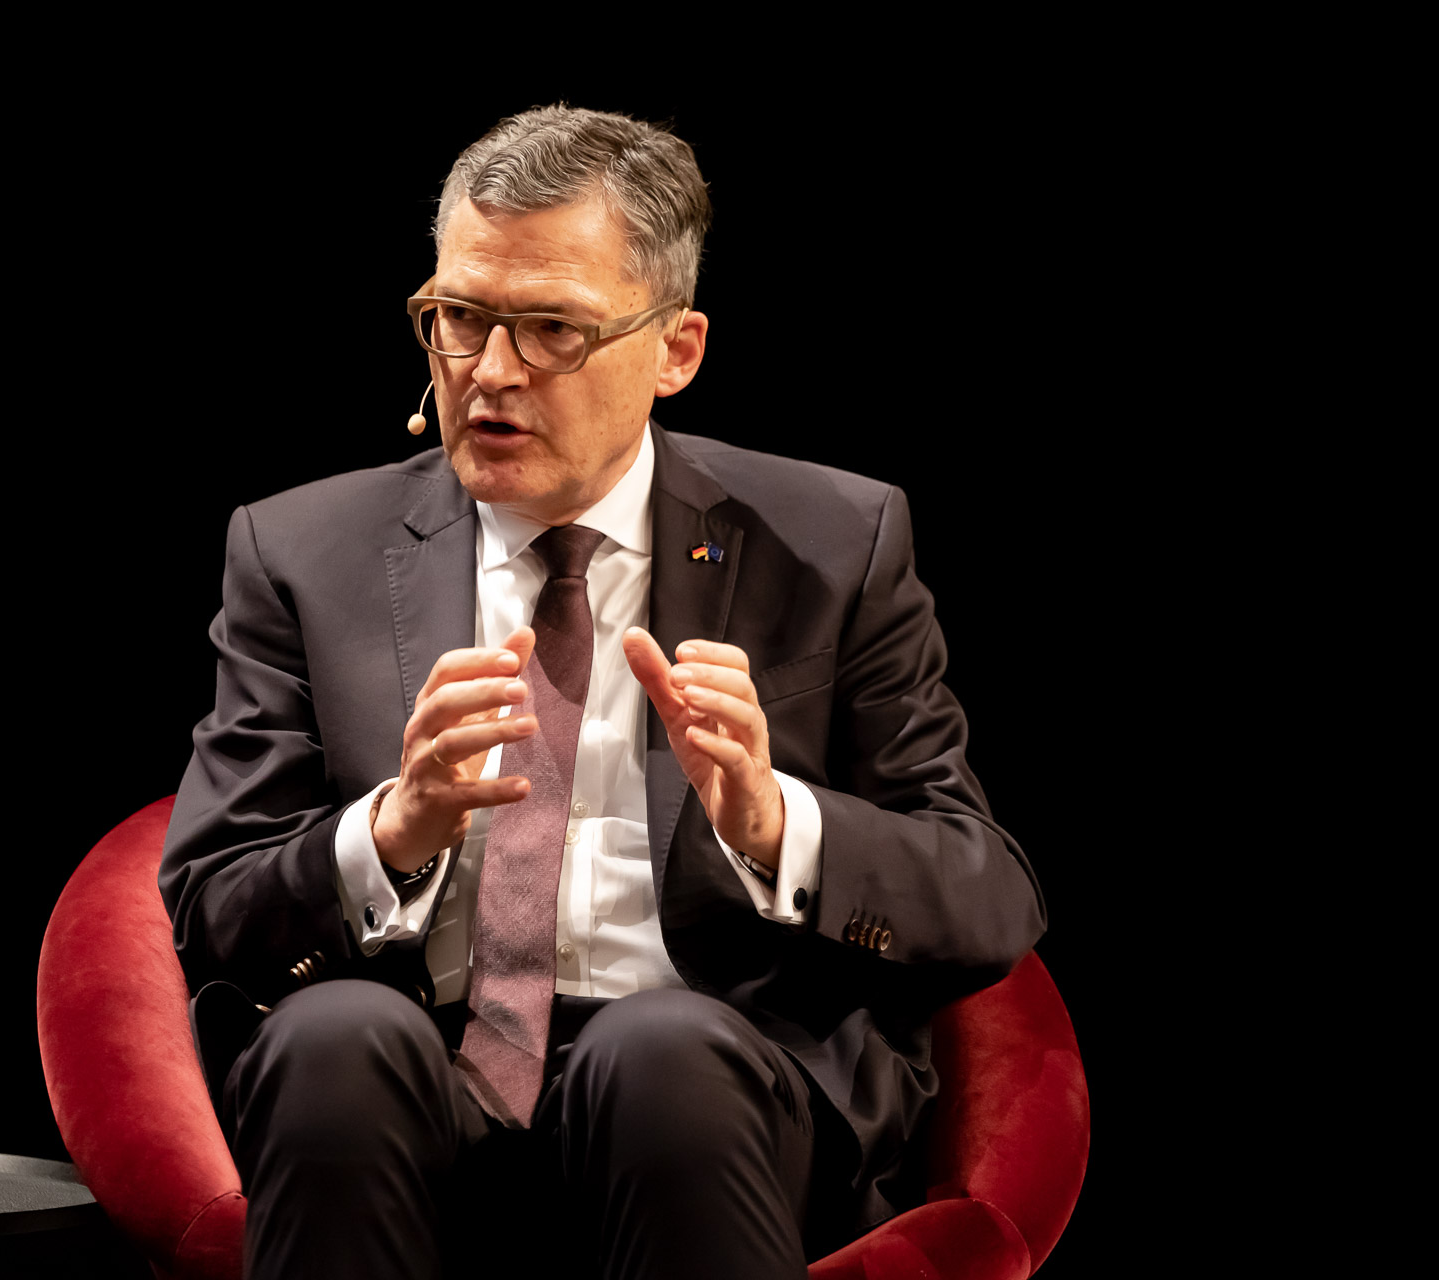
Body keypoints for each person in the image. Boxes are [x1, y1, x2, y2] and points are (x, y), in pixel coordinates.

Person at [159, 104, 1045, 1278]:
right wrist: (393, 831)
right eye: (459, 318)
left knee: (660, 1052)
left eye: (551, 330)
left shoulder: (834, 542)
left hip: (710, 1079)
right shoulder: (301, 550)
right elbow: (209, 904)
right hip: (408, 1078)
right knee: (334, 1037)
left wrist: (774, 821)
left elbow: (986, 897)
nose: (489, 372)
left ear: (676, 349)